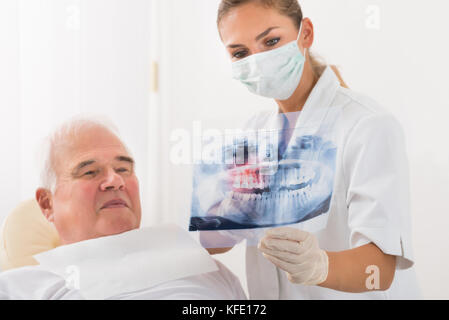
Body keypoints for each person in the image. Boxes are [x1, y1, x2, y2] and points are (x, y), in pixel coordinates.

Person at [202, 0, 420, 299]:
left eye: (271, 41)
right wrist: (230, 216)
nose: (257, 61)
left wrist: (320, 266)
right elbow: (209, 241)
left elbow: (379, 271)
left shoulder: (367, 125)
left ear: (305, 34)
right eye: (240, 53)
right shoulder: (253, 132)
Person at [0, 117, 246, 300]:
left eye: (123, 169)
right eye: (89, 172)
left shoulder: (205, 269)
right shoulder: (19, 289)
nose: (115, 181)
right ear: (47, 203)